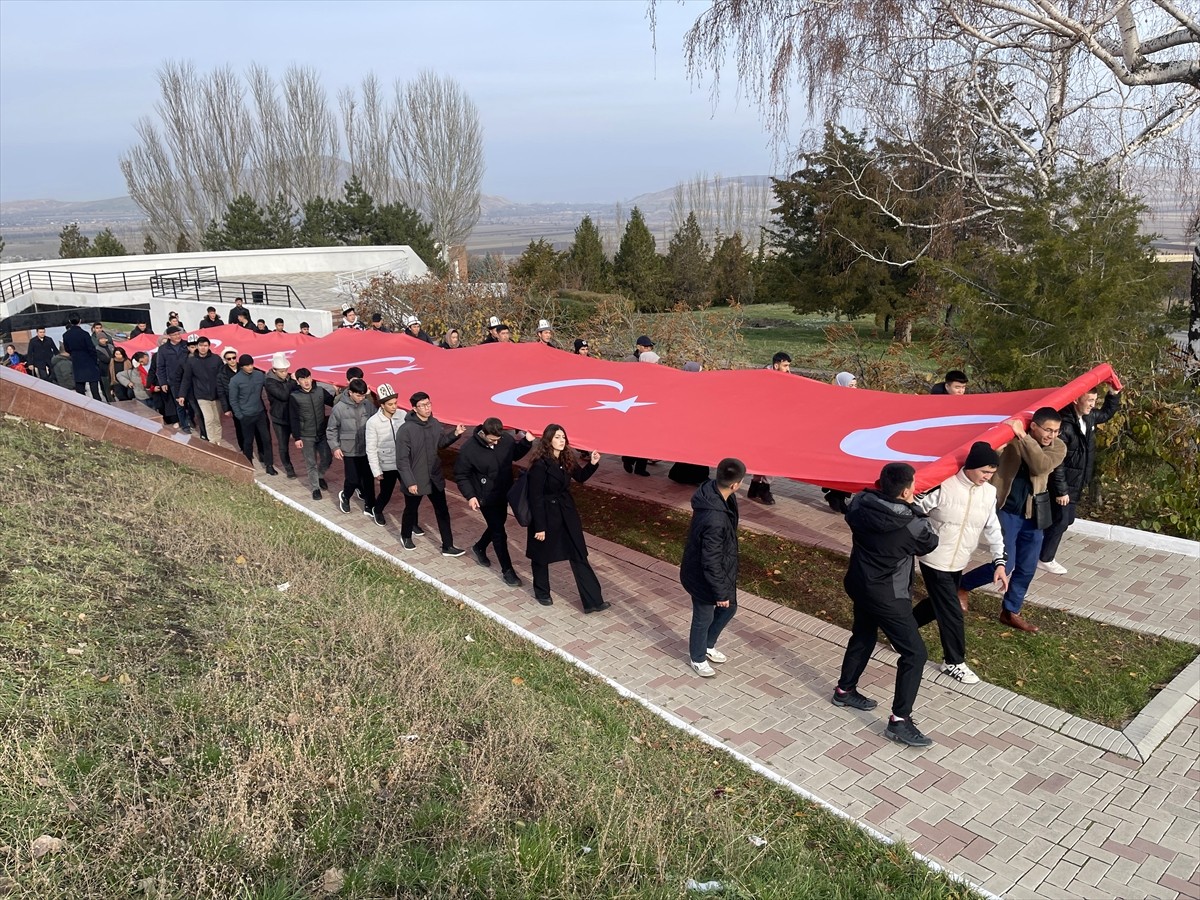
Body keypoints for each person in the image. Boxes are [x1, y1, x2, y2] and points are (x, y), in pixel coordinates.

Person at [833, 462, 940, 748]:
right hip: (888, 595)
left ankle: (844, 690)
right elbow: (930, 543)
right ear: (907, 490)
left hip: (859, 583)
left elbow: (863, 503)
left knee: (864, 634)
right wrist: (915, 508)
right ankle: (899, 721)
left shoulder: (859, 504)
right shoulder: (912, 523)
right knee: (915, 654)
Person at [958, 409, 1067, 633]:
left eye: (1056, 430)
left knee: (1027, 567)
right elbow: (992, 453)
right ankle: (962, 585)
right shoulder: (1013, 440)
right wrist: (1007, 439)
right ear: (1034, 426)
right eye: (1048, 429)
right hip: (1007, 510)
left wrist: (1024, 437)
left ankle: (1011, 611)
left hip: (1034, 514)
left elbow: (1041, 466)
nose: (1052, 435)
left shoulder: (1058, 447)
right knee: (1006, 563)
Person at [912, 442, 1009, 685]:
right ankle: (953, 662)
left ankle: (902, 630)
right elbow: (914, 506)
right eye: (983, 472)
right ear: (970, 466)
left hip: (959, 559)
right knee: (951, 609)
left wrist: (999, 562)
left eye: (991, 473)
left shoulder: (988, 493)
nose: (987, 477)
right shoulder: (944, 485)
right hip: (934, 558)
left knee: (937, 604)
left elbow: (993, 527)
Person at [1039, 383, 1121, 575]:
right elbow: (1057, 461)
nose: (1093, 405)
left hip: (1077, 481)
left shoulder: (1088, 418)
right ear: (1076, 399)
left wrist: (1114, 394)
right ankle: (1045, 558)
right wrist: (1061, 490)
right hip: (1064, 483)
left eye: (1095, 400)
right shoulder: (1065, 425)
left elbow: (1107, 414)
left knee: (1065, 520)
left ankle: (1034, 547)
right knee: (1061, 520)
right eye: (1089, 400)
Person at [526, 425, 606, 611]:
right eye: (557, 437)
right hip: (545, 515)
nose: (562, 440)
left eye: (563, 437)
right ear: (548, 440)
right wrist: (539, 527)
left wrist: (592, 463)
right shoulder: (539, 465)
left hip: (567, 513)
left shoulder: (567, 458)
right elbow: (535, 498)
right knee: (541, 554)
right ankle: (542, 592)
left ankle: (593, 601)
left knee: (578, 552)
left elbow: (580, 477)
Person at [681, 457, 745, 677]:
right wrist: (719, 592)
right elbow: (710, 559)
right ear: (736, 484)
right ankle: (697, 658)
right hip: (703, 573)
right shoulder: (714, 517)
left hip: (718, 568)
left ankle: (708, 645)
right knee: (704, 616)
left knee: (730, 607)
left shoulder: (716, 493)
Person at [455, 417, 534, 586]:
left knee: (498, 524)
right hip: (485, 497)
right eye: (493, 439)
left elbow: (514, 454)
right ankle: (508, 570)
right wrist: (471, 496)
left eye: (499, 439)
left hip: (504, 492)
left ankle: (479, 547)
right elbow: (461, 475)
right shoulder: (469, 449)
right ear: (483, 433)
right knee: (499, 532)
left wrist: (527, 442)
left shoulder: (505, 440)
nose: (497, 443)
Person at [395, 392, 466, 554]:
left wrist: (455, 434)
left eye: (429, 404)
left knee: (442, 511)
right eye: (423, 406)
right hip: (416, 478)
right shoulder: (406, 430)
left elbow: (440, 444)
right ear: (414, 408)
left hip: (434, 477)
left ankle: (447, 546)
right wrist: (409, 481)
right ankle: (406, 535)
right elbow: (402, 460)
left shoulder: (434, 423)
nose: (427, 408)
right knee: (411, 509)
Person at [748, 352, 792, 504]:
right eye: (785, 365)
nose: (788, 369)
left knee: (768, 456)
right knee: (767, 457)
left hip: (778, 425)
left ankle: (755, 486)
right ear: (776, 365)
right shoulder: (763, 379)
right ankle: (763, 488)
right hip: (763, 425)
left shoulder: (789, 379)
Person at [326, 378, 375, 516]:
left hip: (366, 448)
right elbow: (331, 429)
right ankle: (345, 496)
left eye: (364, 395)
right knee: (352, 479)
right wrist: (335, 447)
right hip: (349, 450)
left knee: (368, 478)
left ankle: (370, 505)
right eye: (359, 395)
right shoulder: (339, 408)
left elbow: (374, 422)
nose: (361, 398)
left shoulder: (368, 405)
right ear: (351, 392)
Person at [289, 367, 333, 500]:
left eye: (307, 378)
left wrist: (339, 392)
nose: (306, 381)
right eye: (302, 379)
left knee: (327, 458)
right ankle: (315, 488)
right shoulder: (294, 396)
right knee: (311, 462)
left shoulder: (320, 391)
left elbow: (334, 403)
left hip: (321, 433)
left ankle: (319, 476)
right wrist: (297, 437)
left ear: (311, 378)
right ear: (298, 382)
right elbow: (293, 418)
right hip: (306, 435)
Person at [227, 354, 276, 473]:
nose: (250, 367)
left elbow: (270, 386)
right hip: (246, 415)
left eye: (251, 364)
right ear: (242, 366)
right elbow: (233, 400)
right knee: (248, 442)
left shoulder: (259, 375)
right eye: (247, 365)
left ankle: (269, 465)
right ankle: (248, 464)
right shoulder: (235, 380)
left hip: (259, 413)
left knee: (266, 439)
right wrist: (240, 416)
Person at [365, 383, 405, 525]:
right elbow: (371, 448)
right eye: (390, 404)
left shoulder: (403, 415)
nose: (394, 407)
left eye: (395, 403)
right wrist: (376, 471)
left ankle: (412, 522)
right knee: (386, 493)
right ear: (382, 405)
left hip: (403, 463)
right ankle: (378, 510)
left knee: (411, 494)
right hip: (387, 465)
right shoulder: (373, 422)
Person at [820, 371, 860, 512]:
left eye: (855, 385)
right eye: (850, 385)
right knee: (841, 470)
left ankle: (838, 496)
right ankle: (836, 496)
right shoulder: (833, 400)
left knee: (849, 471)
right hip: (837, 442)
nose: (854, 389)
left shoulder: (858, 400)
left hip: (851, 442)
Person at [621, 336, 658, 476]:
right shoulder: (630, 361)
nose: (648, 348)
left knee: (646, 438)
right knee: (635, 436)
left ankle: (640, 467)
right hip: (633, 404)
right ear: (639, 347)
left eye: (650, 347)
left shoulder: (652, 360)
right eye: (646, 346)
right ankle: (628, 459)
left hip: (648, 406)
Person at [179, 336, 224, 446]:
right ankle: (212, 442)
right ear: (197, 347)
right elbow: (186, 379)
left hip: (216, 394)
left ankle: (218, 441)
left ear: (209, 346)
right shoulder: (191, 361)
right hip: (201, 395)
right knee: (209, 419)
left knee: (217, 419)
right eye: (201, 346)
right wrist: (182, 395)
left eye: (205, 346)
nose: (203, 348)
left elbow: (222, 376)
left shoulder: (216, 359)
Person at [264, 353, 298, 478]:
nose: (285, 373)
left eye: (286, 371)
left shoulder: (288, 379)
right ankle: (289, 468)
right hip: (279, 417)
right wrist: (293, 382)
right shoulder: (269, 382)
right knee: (283, 445)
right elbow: (283, 395)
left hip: (292, 416)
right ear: (274, 370)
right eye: (282, 371)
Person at [156, 326, 191, 430]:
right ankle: (185, 425)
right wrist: (163, 382)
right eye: (174, 335)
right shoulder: (163, 349)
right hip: (174, 381)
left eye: (178, 334)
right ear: (169, 336)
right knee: (179, 404)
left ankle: (192, 420)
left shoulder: (186, 345)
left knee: (192, 403)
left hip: (188, 377)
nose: (177, 336)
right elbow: (160, 367)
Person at [62, 315, 103, 401]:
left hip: (77, 362)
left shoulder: (66, 335)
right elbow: (91, 348)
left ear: (70, 321)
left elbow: (67, 349)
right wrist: (94, 360)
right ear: (80, 321)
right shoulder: (85, 334)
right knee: (95, 391)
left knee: (80, 390)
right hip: (89, 361)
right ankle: (100, 408)